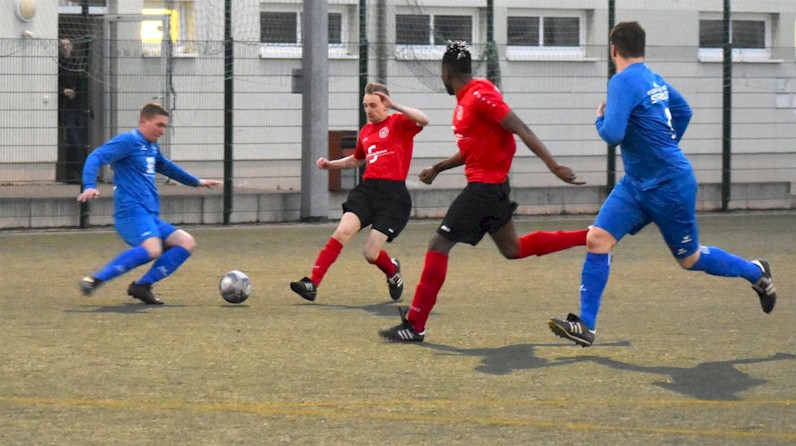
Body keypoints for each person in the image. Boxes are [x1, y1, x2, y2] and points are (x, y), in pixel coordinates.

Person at [548, 21, 777, 347]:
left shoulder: (621, 81)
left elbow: (612, 133)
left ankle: (756, 272)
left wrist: (600, 118)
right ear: (642, 48)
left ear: (613, 49)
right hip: (636, 185)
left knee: (690, 259)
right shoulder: (652, 78)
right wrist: (663, 147)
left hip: (670, 186)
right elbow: (684, 111)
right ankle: (586, 325)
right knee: (597, 239)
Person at [378, 41, 588, 342]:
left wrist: (553, 166)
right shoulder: (469, 98)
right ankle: (588, 236)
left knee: (439, 243)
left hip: (484, 189)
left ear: (445, 72)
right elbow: (474, 149)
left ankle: (415, 324)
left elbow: (521, 128)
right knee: (513, 249)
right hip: (492, 188)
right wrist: (438, 167)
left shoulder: (479, 95)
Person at [290, 82, 429, 302]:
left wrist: (396, 106)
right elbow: (356, 160)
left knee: (370, 254)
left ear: (385, 105)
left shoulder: (399, 122)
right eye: (365, 105)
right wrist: (330, 164)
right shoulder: (365, 132)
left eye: (373, 105)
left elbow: (424, 119)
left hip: (393, 197)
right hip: (367, 191)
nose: (368, 110)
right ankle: (312, 283)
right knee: (342, 231)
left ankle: (393, 272)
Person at [77, 103, 222, 305]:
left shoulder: (151, 146)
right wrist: (90, 185)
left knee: (186, 242)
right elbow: (96, 156)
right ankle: (95, 279)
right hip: (131, 213)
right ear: (144, 121)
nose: (162, 131)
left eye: (164, 126)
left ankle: (142, 286)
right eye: (159, 125)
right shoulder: (128, 141)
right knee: (152, 249)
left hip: (149, 215)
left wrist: (196, 181)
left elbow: (166, 166)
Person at [58, 38, 84, 183]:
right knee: (72, 141)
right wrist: (63, 91)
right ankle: (70, 173)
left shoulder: (76, 63)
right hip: (64, 107)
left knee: (79, 142)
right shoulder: (58, 63)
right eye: (63, 45)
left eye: (68, 45)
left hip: (76, 107)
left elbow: (81, 84)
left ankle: (77, 172)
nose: (65, 48)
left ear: (72, 47)